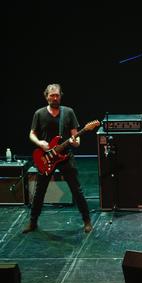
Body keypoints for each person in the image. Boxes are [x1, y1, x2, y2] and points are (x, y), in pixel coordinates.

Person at [22, 83, 93, 234]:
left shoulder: (68, 112)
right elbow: (31, 134)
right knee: (40, 191)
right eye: (51, 95)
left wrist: (76, 142)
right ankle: (33, 222)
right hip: (47, 157)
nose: (54, 98)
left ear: (61, 96)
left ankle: (87, 220)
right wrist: (39, 142)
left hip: (65, 156)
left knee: (76, 190)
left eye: (57, 95)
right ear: (46, 96)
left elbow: (76, 137)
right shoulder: (39, 113)